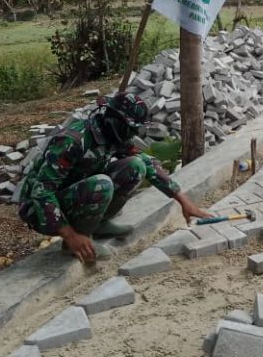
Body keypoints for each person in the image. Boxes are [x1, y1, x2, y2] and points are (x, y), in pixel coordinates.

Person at [17, 93, 211, 263]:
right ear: (115, 120)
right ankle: (79, 241)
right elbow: (42, 192)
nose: (134, 133)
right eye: (131, 127)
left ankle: (99, 224)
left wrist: (185, 202)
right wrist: (71, 235)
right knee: (102, 184)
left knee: (135, 166)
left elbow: (148, 164)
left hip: (74, 195)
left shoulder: (113, 134)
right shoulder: (73, 141)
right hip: (40, 211)